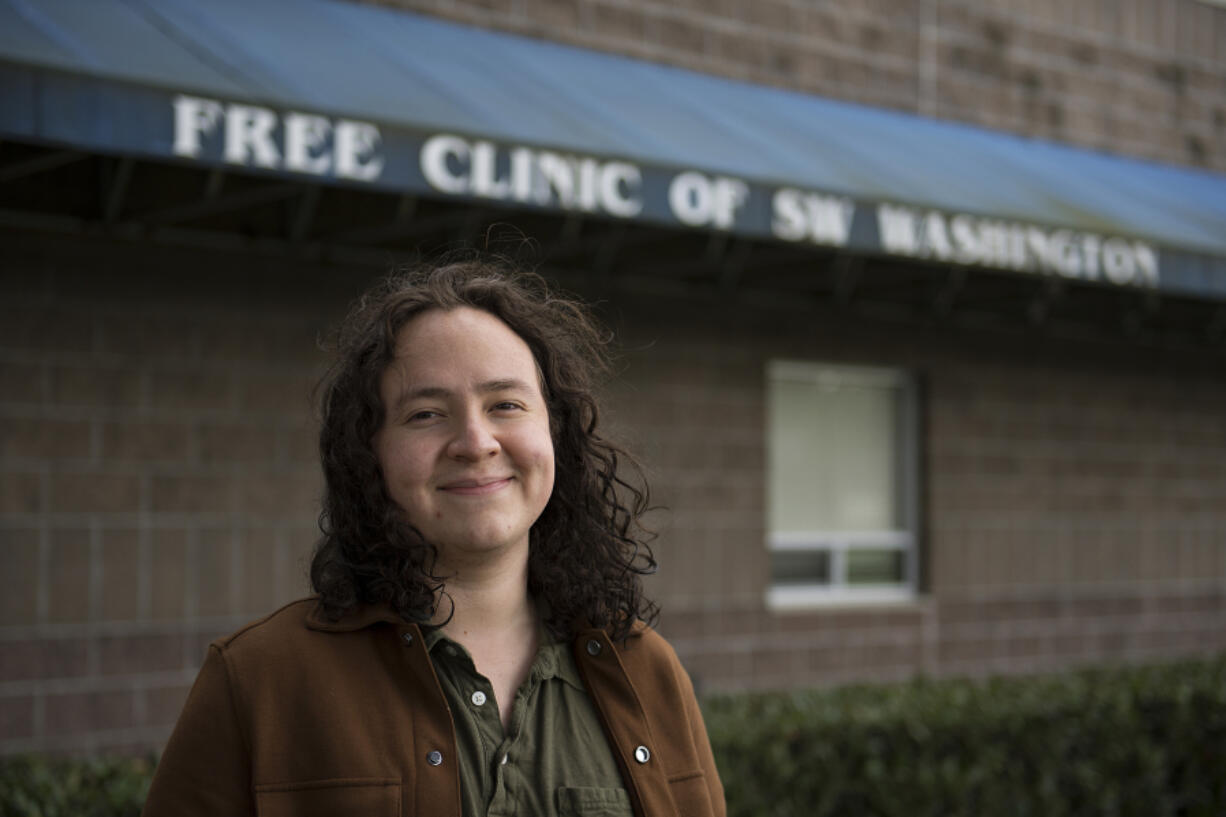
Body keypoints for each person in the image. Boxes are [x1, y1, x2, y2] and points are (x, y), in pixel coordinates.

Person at [142, 257, 725, 817]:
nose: (475, 442)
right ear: (369, 453)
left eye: (506, 404)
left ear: (556, 435)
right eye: (426, 414)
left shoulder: (646, 671)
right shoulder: (258, 679)